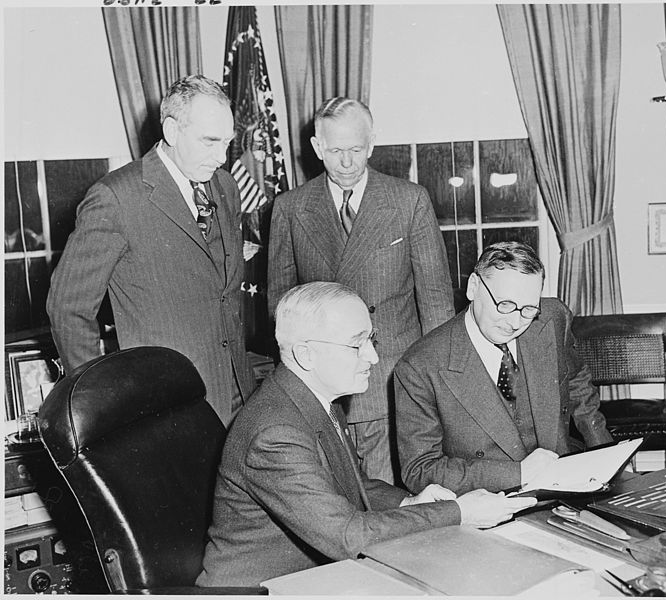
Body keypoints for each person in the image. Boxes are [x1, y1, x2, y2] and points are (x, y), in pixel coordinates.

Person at [196, 282, 536, 586]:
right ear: (305, 354)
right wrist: (460, 512)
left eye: (371, 340)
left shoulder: (315, 398)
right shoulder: (275, 435)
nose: (373, 357)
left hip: (311, 577)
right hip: (259, 589)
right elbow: (349, 536)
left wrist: (408, 502)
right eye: (356, 345)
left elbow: (354, 485)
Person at [46, 75, 252, 427]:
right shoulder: (115, 198)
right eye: (209, 142)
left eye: (228, 143)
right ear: (172, 131)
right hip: (166, 404)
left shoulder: (226, 187)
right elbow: (68, 309)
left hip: (240, 396)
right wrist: (102, 399)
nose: (221, 157)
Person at [268, 97, 454, 484]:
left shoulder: (409, 201)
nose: (347, 162)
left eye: (356, 150)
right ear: (317, 148)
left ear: (372, 144)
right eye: (336, 151)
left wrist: (438, 394)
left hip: (391, 385)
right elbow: (281, 307)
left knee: (389, 502)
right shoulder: (290, 208)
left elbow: (437, 307)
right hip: (322, 389)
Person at [395, 241, 613, 495]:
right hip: (490, 501)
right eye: (505, 305)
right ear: (474, 287)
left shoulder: (553, 318)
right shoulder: (421, 366)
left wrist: (605, 454)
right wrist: (518, 473)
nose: (515, 322)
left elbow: (576, 381)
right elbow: (419, 469)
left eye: (529, 309)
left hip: (562, 484)